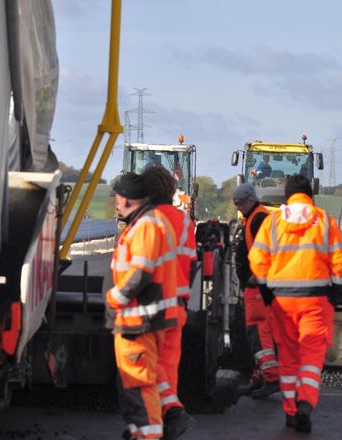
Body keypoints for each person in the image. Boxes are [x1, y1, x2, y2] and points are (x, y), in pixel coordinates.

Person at [249, 174, 342, 433]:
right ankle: (305, 401)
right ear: (310, 195)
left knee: (289, 357)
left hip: (282, 300)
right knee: (311, 355)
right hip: (316, 300)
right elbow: (340, 260)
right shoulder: (325, 221)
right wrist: (336, 294)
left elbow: (257, 260)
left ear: (287, 196)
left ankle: (292, 412)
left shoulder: (272, 223)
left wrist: (266, 292)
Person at [105, 172, 179, 439]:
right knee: (134, 387)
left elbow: (141, 273)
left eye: (117, 198)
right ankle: (141, 433)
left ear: (126, 199)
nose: (115, 203)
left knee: (140, 386)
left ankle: (148, 435)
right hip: (137, 321)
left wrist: (114, 298)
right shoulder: (146, 223)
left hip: (139, 322)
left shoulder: (147, 225)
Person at [139, 166, 197, 440]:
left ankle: (162, 418)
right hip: (177, 305)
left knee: (147, 367)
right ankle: (164, 425)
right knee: (167, 368)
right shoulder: (184, 221)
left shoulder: (146, 221)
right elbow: (191, 261)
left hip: (151, 306)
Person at [232, 183, 280, 399]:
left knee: (258, 332)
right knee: (257, 333)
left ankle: (270, 376)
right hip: (254, 286)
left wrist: (256, 276)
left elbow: (269, 250)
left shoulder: (259, 219)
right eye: (236, 204)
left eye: (241, 203)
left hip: (258, 287)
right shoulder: (253, 218)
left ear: (250, 199)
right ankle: (260, 375)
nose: (239, 207)